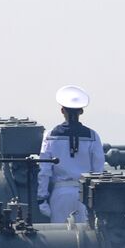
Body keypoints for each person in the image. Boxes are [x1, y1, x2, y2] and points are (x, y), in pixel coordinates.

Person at [37, 85, 105, 223]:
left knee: (61, 239)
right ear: (81, 111)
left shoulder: (50, 136)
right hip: (86, 196)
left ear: (62, 110)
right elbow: (98, 170)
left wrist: (41, 198)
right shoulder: (93, 136)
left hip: (60, 194)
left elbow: (44, 170)